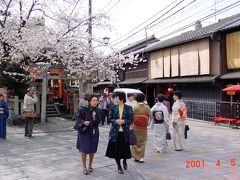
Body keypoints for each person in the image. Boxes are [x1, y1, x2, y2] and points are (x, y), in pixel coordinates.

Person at [105, 91, 133, 174]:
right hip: (115, 133)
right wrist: (116, 121)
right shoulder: (112, 108)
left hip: (125, 133)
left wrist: (124, 121)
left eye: (117, 97)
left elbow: (131, 120)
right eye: (115, 97)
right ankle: (119, 166)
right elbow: (109, 119)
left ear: (122, 98)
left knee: (125, 150)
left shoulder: (129, 108)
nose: (115, 99)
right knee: (116, 151)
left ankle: (124, 160)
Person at [76, 93, 101, 175]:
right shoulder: (83, 109)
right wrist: (84, 122)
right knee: (84, 150)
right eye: (93, 100)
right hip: (85, 132)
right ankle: (84, 167)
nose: (95, 102)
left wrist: (94, 117)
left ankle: (90, 165)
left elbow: (98, 122)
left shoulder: (98, 110)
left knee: (92, 150)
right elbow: (78, 119)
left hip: (94, 132)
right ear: (89, 101)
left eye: (96, 100)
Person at [131, 93, 151, 163]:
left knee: (135, 141)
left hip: (135, 126)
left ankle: (136, 157)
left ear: (136, 99)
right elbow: (150, 116)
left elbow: (131, 117)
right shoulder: (147, 107)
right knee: (142, 142)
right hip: (143, 127)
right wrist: (147, 122)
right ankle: (141, 157)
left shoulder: (135, 107)